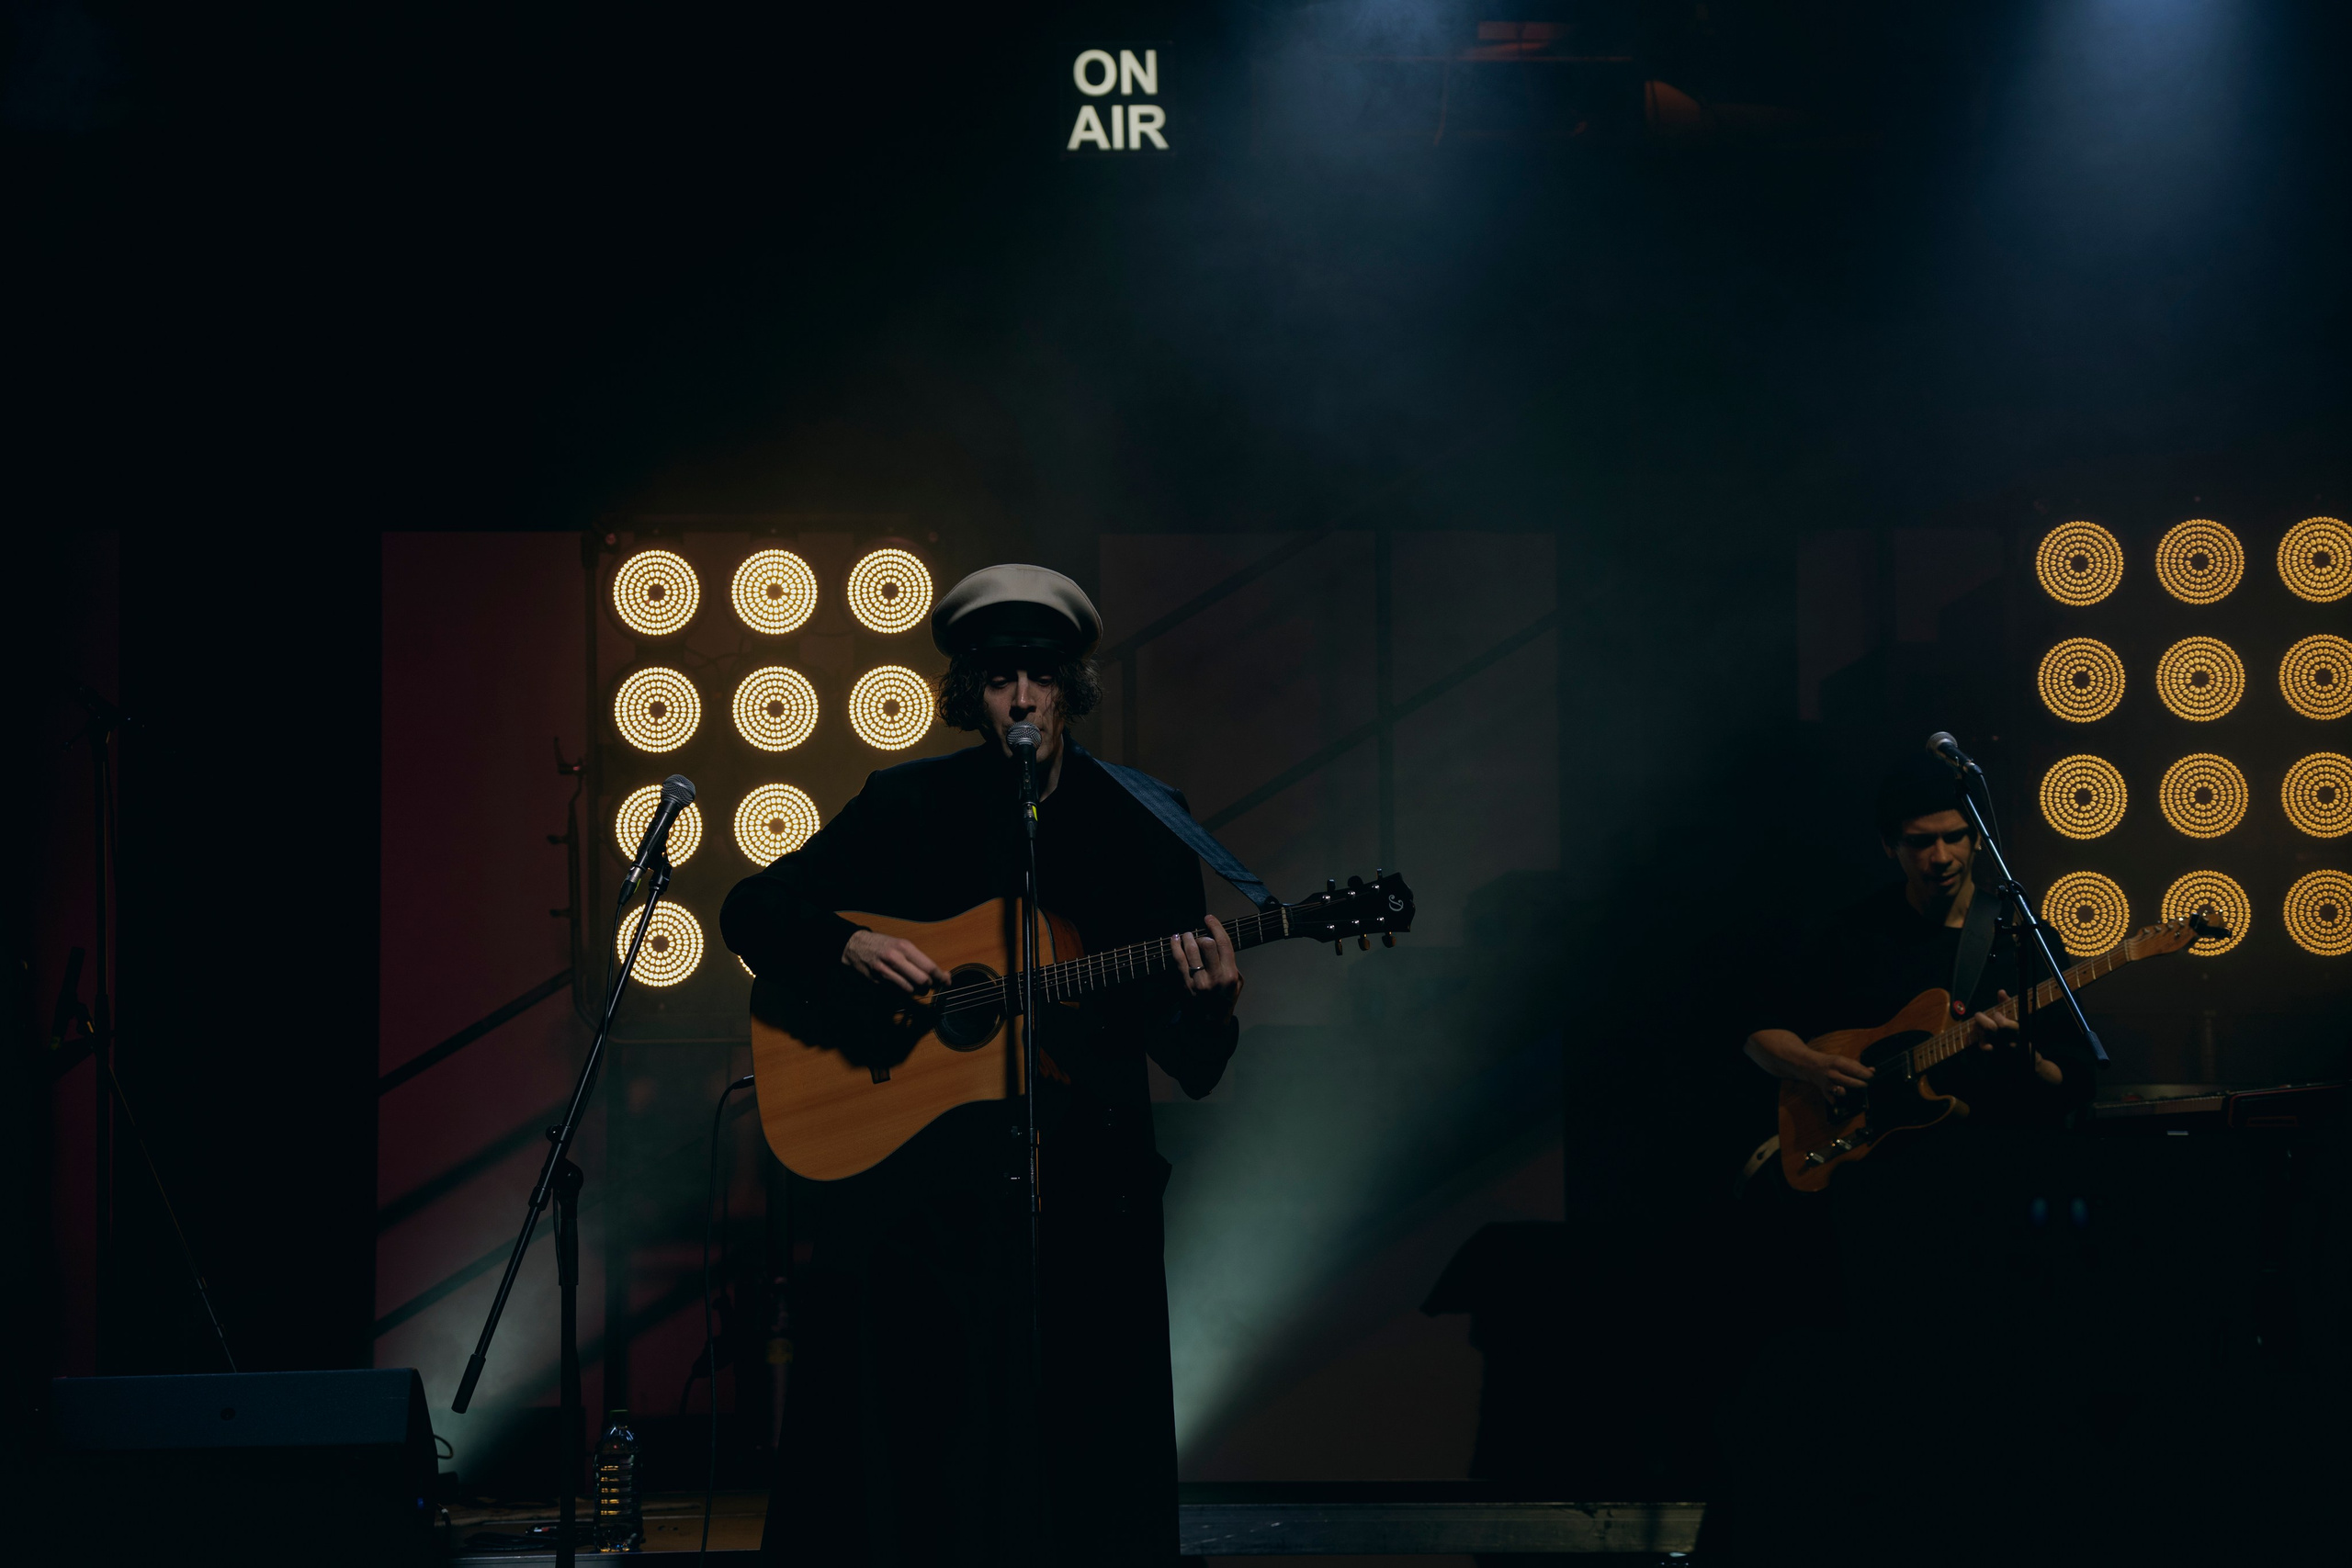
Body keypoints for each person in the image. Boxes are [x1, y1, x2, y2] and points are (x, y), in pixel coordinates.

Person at [721, 563, 1241, 1567]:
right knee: (928, 1490)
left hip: (1090, 1215)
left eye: (1040, 676)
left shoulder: (1144, 825)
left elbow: (1190, 1059)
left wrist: (1213, 1012)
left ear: (1068, 688)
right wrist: (845, 945)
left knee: (1087, 1495)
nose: (1021, 699)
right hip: (930, 1221)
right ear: (973, 694)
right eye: (999, 677)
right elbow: (752, 907)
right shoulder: (906, 805)